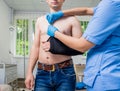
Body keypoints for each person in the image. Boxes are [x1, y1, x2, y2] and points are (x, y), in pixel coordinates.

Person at [44, 0, 120, 91]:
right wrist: (62, 13)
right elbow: (86, 10)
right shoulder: (112, 5)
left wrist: (55, 33)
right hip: (109, 75)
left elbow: (82, 46)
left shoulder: (111, 4)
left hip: (106, 78)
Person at [25, 0, 83, 91]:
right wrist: (29, 72)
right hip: (42, 72)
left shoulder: (72, 20)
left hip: (65, 73)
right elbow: (36, 47)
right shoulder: (40, 21)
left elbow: (81, 48)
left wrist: (55, 47)